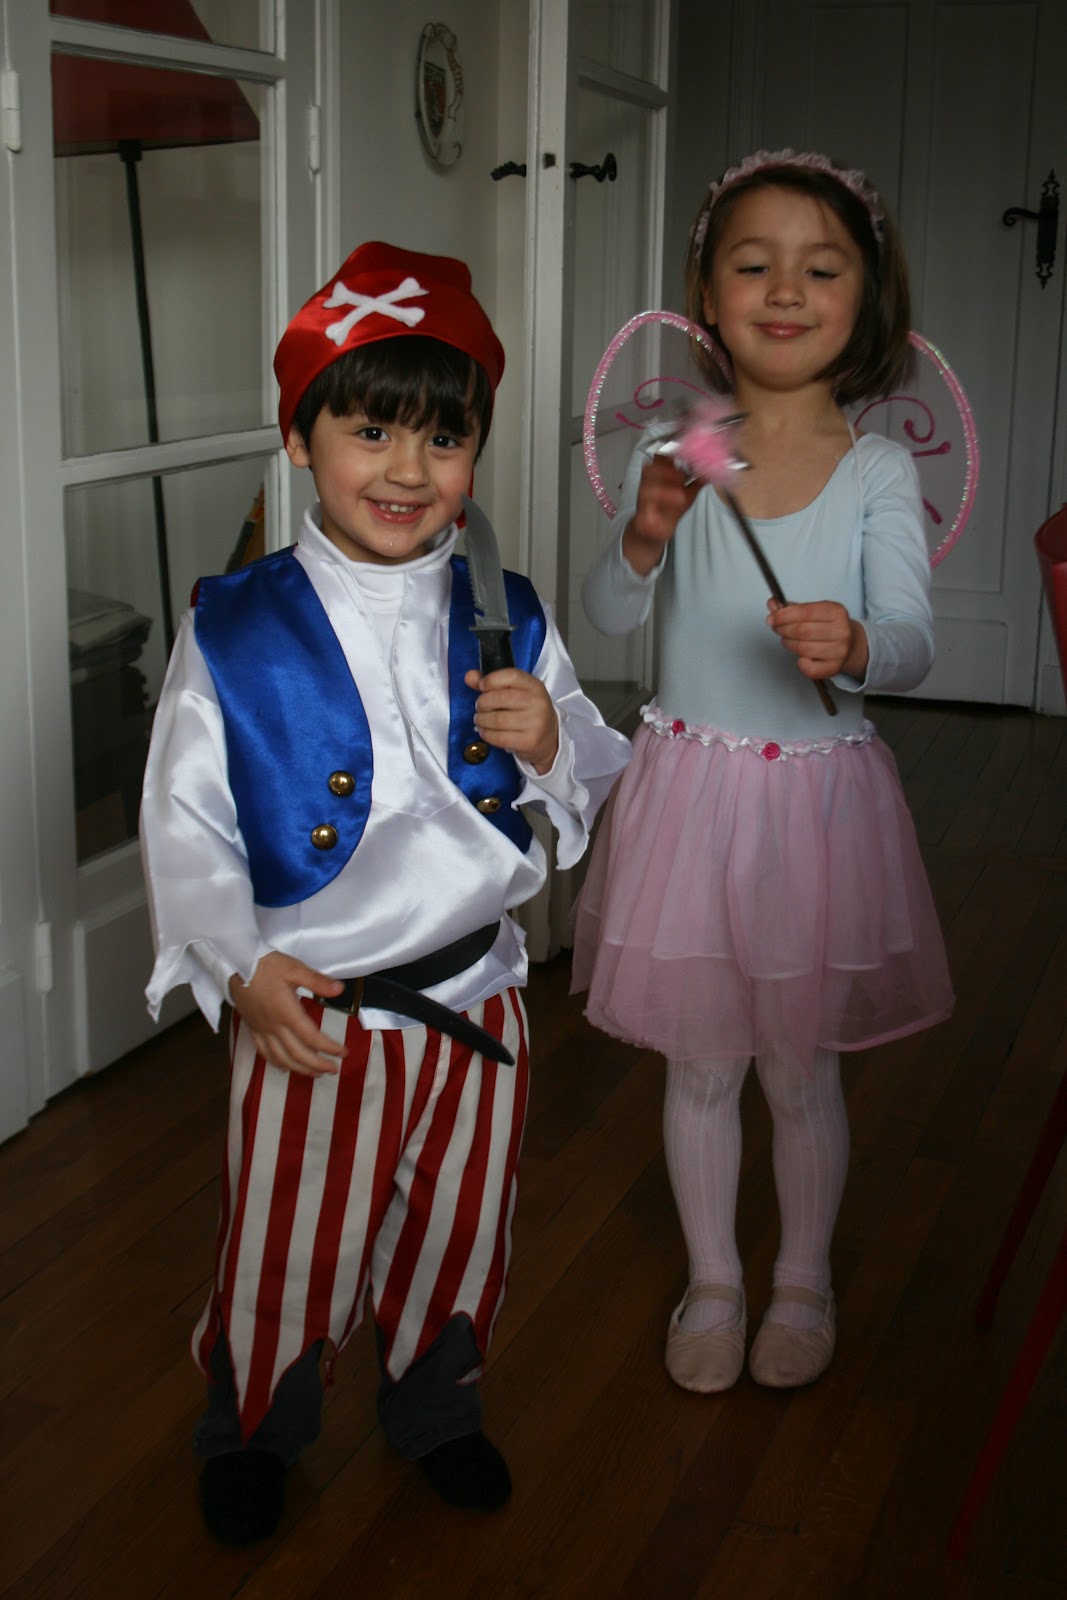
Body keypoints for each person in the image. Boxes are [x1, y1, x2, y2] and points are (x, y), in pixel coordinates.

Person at [140, 241, 631, 1542]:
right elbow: (183, 818)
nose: (408, 470)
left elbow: (595, 764)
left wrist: (550, 742)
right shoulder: (235, 623)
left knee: (461, 1230)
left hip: (478, 1002)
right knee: (286, 1242)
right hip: (314, 1007)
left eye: (443, 438)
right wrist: (241, 967)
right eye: (369, 431)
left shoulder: (508, 611)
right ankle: (253, 1427)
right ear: (298, 437)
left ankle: (435, 1409)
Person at [571, 150, 953, 1397]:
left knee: (797, 1065)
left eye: (820, 268)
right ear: (706, 293)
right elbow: (606, 615)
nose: (785, 290)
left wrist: (857, 642)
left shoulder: (877, 469)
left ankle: (799, 1277)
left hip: (813, 806)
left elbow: (909, 641)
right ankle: (713, 1279)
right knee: (701, 1060)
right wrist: (643, 535)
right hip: (690, 798)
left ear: (865, 297)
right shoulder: (679, 449)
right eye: (753, 265)